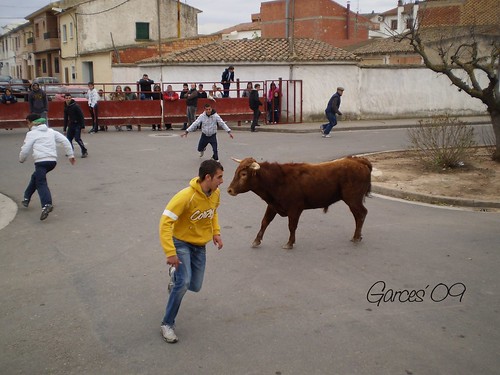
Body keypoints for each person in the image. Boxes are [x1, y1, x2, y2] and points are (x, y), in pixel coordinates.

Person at [159, 159, 226, 343]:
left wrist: (216, 233)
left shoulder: (215, 193)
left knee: (194, 285)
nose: (222, 181)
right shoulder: (185, 196)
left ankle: (174, 275)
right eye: (219, 177)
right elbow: (165, 222)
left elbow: (213, 212)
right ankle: (167, 324)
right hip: (180, 243)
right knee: (184, 283)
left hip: (199, 245)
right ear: (208, 177)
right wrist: (170, 252)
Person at [19, 114, 75, 221]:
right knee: (35, 177)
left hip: (41, 161)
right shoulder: (51, 131)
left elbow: (25, 149)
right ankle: (26, 197)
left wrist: (21, 159)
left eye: (28, 122)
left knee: (41, 183)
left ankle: (46, 204)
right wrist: (70, 155)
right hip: (52, 162)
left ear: (32, 123)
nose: (27, 125)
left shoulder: (31, 134)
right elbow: (65, 141)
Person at [63, 93, 88, 158]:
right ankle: (71, 151)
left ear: (71, 98)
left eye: (69, 98)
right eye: (66, 98)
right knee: (68, 139)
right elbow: (65, 118)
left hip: (77, 124)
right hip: (71, 124)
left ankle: (84, 150)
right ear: (65, 99)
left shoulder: (76, 106)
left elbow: (81, 116)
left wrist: (83, 126)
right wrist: (64, 129)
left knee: (77, 138)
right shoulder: (66, 107)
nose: (68, 99)